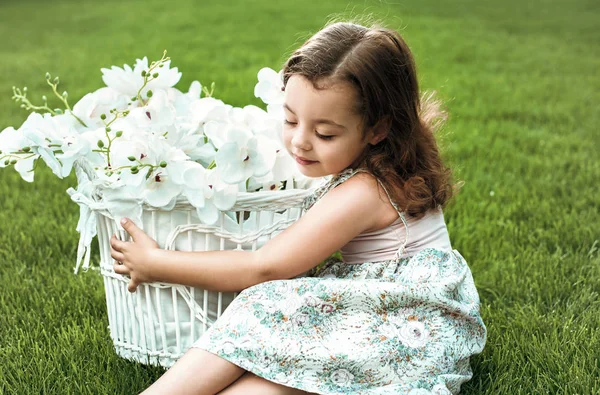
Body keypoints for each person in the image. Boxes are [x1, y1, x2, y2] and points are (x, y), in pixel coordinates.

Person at [110, 21, 487, 395]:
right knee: (274, 370)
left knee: (265, 303)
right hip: (403, 319)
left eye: (325, 133)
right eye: (290, 119)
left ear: (377, 129)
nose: (300, 142)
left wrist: (155, 263)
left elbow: (264, 267)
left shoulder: (367, 190)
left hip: (401, 328)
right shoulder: (390, 164)